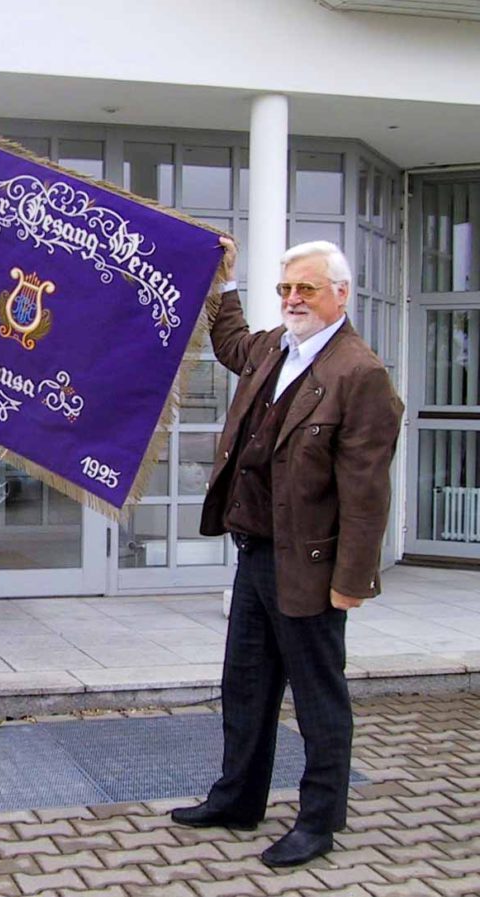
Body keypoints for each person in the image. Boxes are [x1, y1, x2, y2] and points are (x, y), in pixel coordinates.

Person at [171, 238, 404, 867]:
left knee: (317, 694)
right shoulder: (276, 347)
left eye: (306, 288)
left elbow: (366, 496)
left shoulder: (361, 375)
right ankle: (237, 799)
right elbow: (230, 342)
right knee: (245, 686)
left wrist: (353, 581)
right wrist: (224, 282)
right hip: (256, 552)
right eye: (285, 288)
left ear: (341, 294)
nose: (293, 299)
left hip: (311, 565)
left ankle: (318, 821)